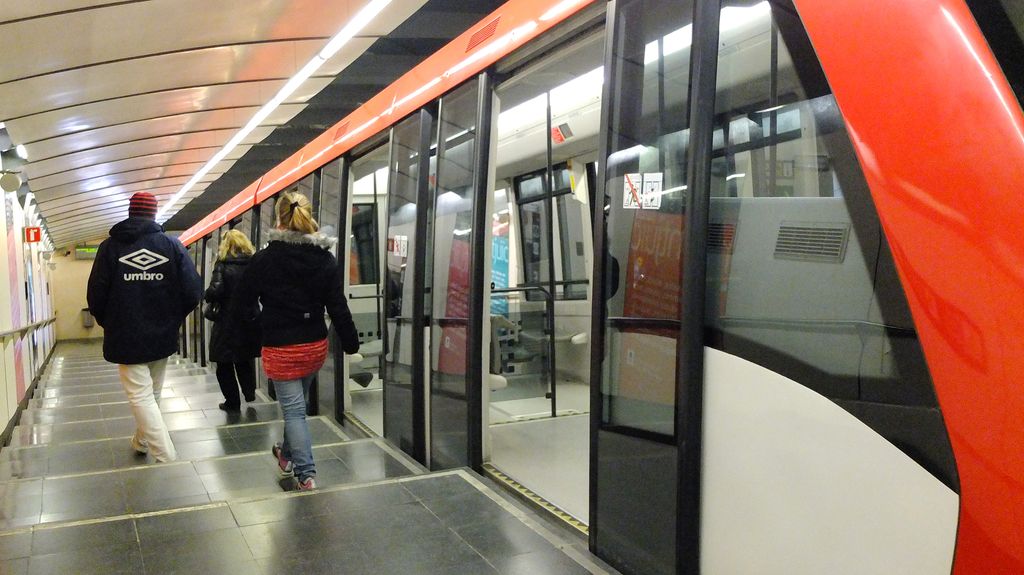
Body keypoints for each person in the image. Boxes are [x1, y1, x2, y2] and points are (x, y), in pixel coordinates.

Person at [233, 189, 359, 490]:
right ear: (308, 216)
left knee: (294, 411)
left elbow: (242, 302)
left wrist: (257, 323)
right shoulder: (324, 259)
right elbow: (337, 306)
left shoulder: (264, 259)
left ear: (279, 218)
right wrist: (351, 342)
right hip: (314, 345)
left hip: (279, 346)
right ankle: (286, 455)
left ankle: (306, 474)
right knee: (298, 405)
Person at [87, 191, 203, 462]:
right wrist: (172, 317)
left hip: (126, 334)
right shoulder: (171, 246)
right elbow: (193, 290)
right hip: (162, 332)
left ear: (130, 212)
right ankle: (141, 442)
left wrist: (112, 322)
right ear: (153, 214)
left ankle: (166, 456)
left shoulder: (110, 248)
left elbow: (96, 294)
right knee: (151, 393)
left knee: (142, 395)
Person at [204, 229, 261, 411]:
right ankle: (249, 393)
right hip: (249, 319)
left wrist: (207, 294)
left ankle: (232, 402)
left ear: (225, 245)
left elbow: (216, 290)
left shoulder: (222, 264)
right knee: (244, 359)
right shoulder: (254, 264)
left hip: (226, 321)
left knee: (224, 364)